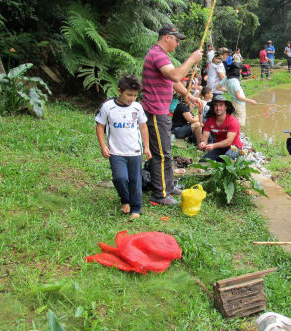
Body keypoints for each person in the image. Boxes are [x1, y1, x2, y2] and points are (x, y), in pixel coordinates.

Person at [142, 24, 203, 206]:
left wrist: (189, 96)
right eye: (176, 40)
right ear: (167, 37)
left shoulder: (162, 56)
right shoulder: (157, 55)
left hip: (162, 112)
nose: (177, 44)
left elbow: (172, 82)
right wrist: (192, 59)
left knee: (166, 152)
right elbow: (176, 75)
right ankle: (159, 195)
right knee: (160, 154)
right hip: (154, 111)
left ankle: (168, 187)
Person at [95, 75, 152, 220]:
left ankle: (136, 208)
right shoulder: (108, 107)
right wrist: (103, 146)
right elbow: (100, 126)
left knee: (135, 180)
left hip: (135, 151)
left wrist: (146, 147)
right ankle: (125, 199)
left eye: (135, 95)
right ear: (119, 90)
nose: (132, 98)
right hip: (116, 152)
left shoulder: (137, 107)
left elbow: (143, 127)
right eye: (128, 94)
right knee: (120, 178)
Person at [199, 95, 243, 162]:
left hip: (234, 147)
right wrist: (203, 143)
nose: (218, 108)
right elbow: (204, 138)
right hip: (220, 147)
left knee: (227, 159)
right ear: (213, 107)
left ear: (226, 107)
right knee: (203, 161)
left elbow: (229, 141)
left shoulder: (233, 121)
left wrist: (213, 146)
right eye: (216, 105)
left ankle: (239, 156)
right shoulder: (209, 121)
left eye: (221, 105)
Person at [216, 61, 257, 127]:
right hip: (239, 104)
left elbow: (218, 87)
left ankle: (231, 133)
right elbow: (239, 97)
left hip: (233, 102)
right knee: (239, 124)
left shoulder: (227, 78)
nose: (241, 71)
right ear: (236, 70)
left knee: (233, 120)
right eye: (240, 70)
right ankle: (236, 135)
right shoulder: (235, 82)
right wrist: (251, 101)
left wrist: (227, 90)